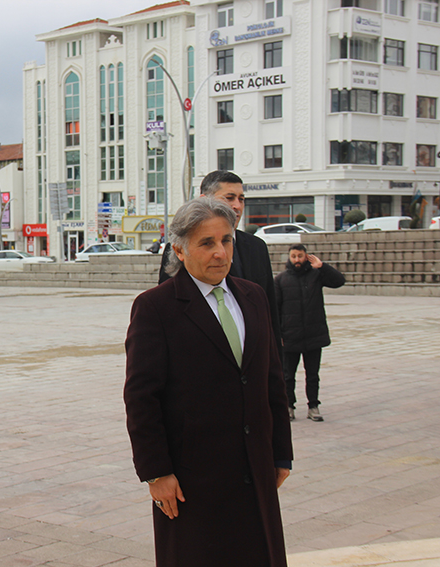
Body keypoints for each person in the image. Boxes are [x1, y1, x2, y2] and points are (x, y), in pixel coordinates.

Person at [125, 197, 292, 567]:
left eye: (226, 240)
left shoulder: (253, 296)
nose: (220, 252)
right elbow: (141, 398)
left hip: (255, 469)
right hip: (193, 480)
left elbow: (271, 379)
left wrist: (281, 452)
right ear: (179, 251)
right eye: (206, 243)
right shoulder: (156, 307)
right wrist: (156, 473)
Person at [159, 170, 282, 350]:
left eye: (241, 199)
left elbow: (270, 312)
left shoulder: (257, 247)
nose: (237, 206)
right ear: (204, 199)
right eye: (229, 198)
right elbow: (167, 308)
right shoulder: (181, 248)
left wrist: (277, 357)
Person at [274, 244, 345, 422]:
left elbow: (339, 281)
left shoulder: (316, 275)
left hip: (313, 335)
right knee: (288, 375)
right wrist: (279, 334)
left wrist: (322, 267)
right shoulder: (281, 280)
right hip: (290, 336)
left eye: (300, 256)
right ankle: (289, 406)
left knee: (312, 375)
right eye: (294, 256)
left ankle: (313, 406)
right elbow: (275, 309)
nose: (297, 260)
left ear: (306, 256)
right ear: (289, 258)